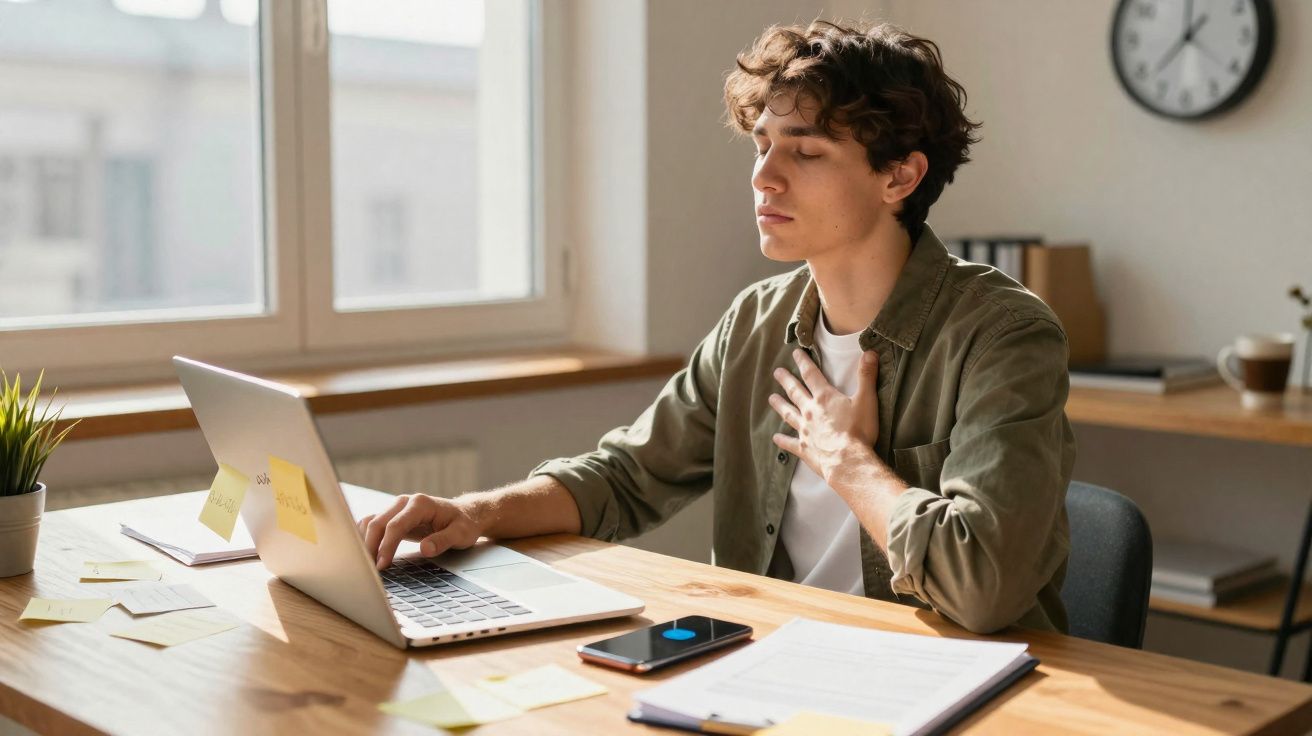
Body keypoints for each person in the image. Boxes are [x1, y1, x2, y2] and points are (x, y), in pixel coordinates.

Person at [359, 19, 1075, 635]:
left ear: (899, 178)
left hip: (947, 681)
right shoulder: (756, 323)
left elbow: (983, 585)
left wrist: (848, 461)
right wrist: (471, 512)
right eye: (762, 145)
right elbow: (628, 477)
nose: (765, 175)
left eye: (806, 150)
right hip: (771, 658)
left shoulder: (1005, 335)